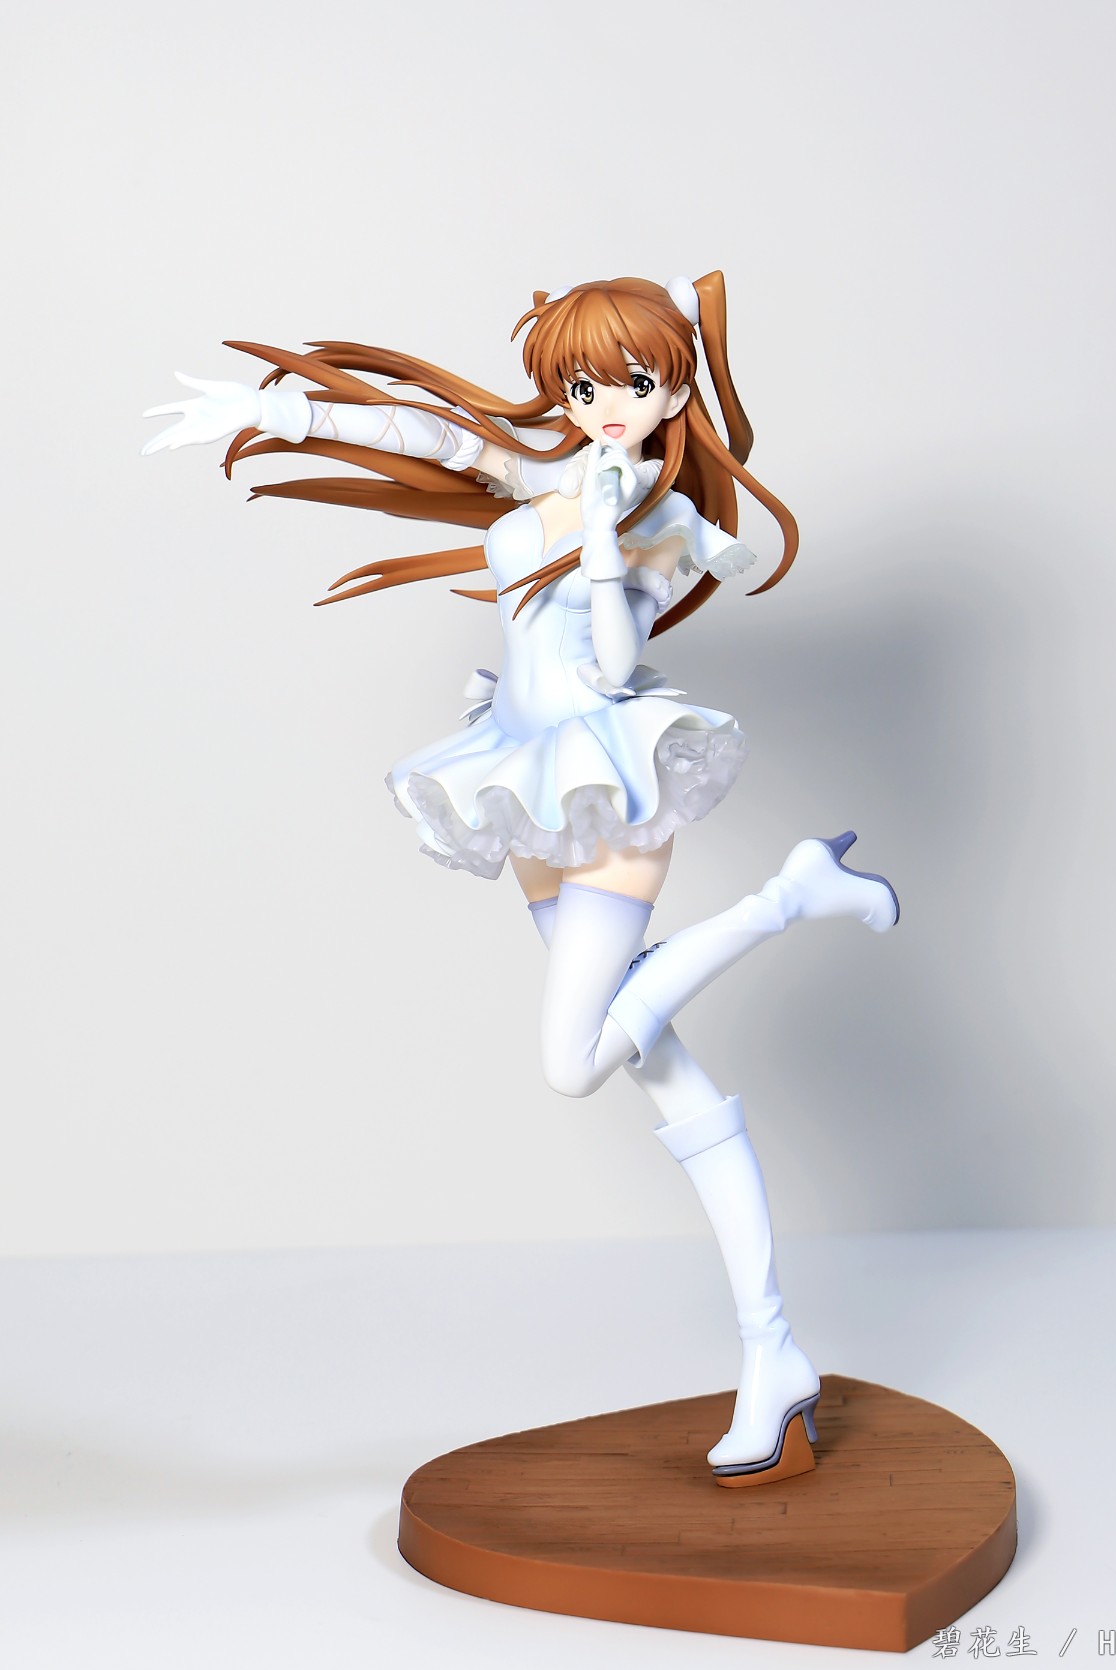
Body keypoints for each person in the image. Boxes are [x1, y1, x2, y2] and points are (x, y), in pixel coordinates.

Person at [143, 272, 899, 1486]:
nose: (606, 405)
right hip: (523, 776)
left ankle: (787, 899)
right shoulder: (546, 469)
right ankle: (773, 1351)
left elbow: (617, 661)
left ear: (676, 392)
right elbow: (436, 436)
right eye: (584, 385)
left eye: (634, 382)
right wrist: (278, 413)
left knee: (574, 1061)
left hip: (607, 785)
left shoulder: (664, 521)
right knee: (662, 1067)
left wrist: (612, 534)